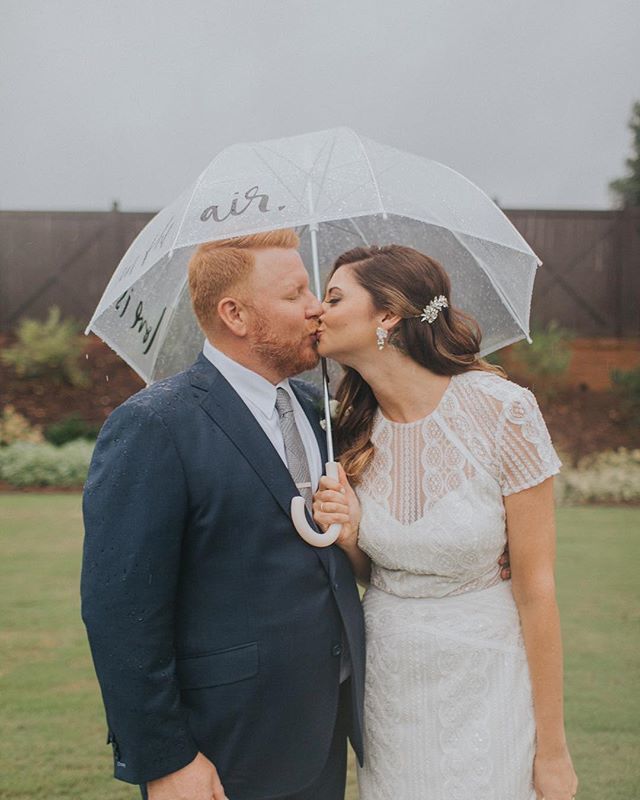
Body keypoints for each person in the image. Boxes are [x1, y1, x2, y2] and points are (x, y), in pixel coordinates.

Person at [80, 229, 365, 800]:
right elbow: (120, 611)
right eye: (295, 295)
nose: (315, 308)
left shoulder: (316, 412)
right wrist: (166, 760)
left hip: (321, 725)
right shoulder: (155, 425)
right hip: (225, 740)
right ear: (235, 314)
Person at [312, 244, 579, 800]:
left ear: (386, 315)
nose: (317, 309)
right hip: (391, 686)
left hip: (488, 677)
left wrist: (552, 749)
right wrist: (351, 536)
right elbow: (376, 574)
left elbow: (537, 588)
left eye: (334, 297)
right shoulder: (347, 434)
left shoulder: (502, 410)